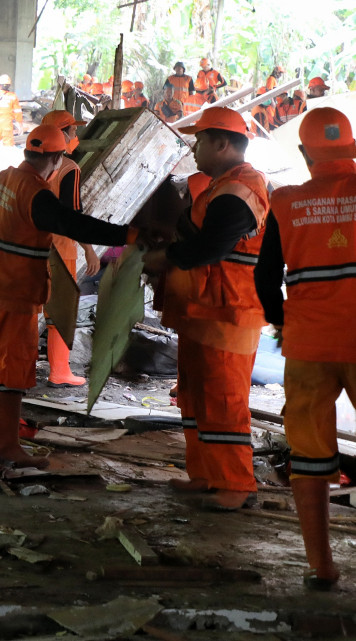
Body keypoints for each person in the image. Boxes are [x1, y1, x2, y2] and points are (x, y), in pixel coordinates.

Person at [0, 125, 134, 464]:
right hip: (15, 295)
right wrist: (128, 234)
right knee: (10, 374)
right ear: (57, 158)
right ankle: (6, 449)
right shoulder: (35, 192)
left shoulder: (0, 179)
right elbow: (73, 224)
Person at [254, 108, 356, 590]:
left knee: (311, 454)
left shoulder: (285, 202)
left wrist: (284, 323)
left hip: (308, 344)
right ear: (352, 149)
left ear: (305, 154)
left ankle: (323, 568)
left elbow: (264, 277)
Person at [144, 107, 268, 511]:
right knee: (196, 396)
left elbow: (212, 245)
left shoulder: (241, 189)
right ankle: (206, 475)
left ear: (222, 143)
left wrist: (168, 257)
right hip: (203, 309)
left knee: (224, 399)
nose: (194, 149)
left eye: (199, 141)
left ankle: (235, 484)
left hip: (227, 311)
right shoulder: (222, 186)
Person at [38, 110, 99, 387]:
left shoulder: (30, 164)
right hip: (61, 250)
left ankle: (22, 368)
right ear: (61, 135)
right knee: (60, 312)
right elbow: (73, 215)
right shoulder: (68, 168)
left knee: (30, 311)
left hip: (33, 245)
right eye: (72, 131)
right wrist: (89, 248)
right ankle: (60, 370)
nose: (75, 136)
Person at [0, 75, 23, 146]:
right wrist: (20, 123)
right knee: (8, 147)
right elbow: (17, 111)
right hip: (7, 125)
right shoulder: (13, 96)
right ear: (9, 86)